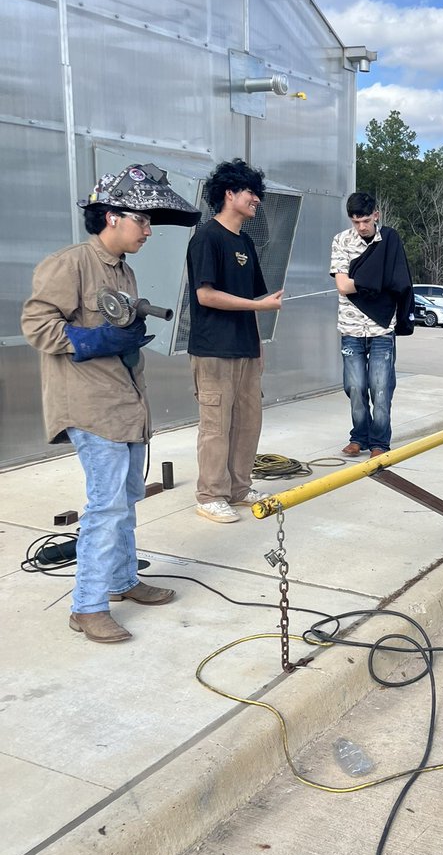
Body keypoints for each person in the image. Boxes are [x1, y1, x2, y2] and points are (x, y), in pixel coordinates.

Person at [21, 164, 202, 643]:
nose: (148, 231)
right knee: (105, 506)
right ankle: (87, 606)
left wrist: (123, 337)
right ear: (112, 217)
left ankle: (122, 580)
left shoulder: (124, 270)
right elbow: (36, 324)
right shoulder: (71, 264)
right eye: (141, 220)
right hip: (89, 405)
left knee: (126, 499)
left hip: (124, 403)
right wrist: (92, 340)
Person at [187, 158, 283, 523]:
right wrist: (259, 307)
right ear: (229, 193)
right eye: (251, 192)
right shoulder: (206, 238)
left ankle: (239, 487)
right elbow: (206, 295)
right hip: (213, 350)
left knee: (247, 422)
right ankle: (210, 495)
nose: (257, 199)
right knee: (216, 425)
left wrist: (258, 346)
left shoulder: (245, 242)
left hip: (246, 349)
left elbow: (253, 300)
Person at [329, 192, 414, 457]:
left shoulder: (389, 240)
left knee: (381, 387)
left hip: (382, 328)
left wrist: (362, 281)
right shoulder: (341, 241)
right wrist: (378, 281)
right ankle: (359, 436)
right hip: (351, 326)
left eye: (365, 220)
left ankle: (379, 442)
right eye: (356, 222)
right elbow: (342, 285)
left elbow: (399, 281)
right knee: (354, 387)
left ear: (376, 214)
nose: (361, 227)